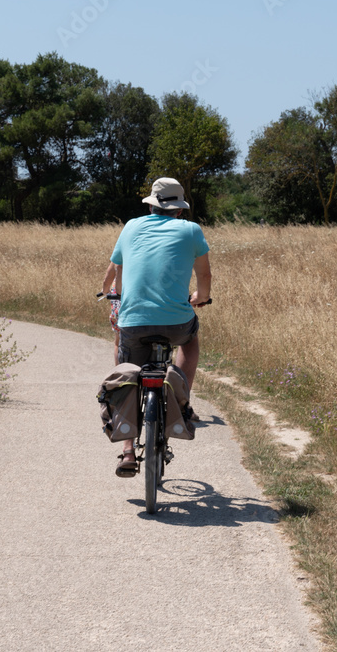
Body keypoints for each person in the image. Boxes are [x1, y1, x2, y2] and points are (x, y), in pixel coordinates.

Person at [108, 177, 211, 477]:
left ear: (152, 205)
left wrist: (121, 300)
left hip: (133, 322)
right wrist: (200, 299)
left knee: (128, 372)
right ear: (179, 209)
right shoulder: (191, 230)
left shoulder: (130, 226)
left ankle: (127, 450)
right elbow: (204, 277)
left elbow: (118, 274)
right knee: (189, 341)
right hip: (177, 322)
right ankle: (180, 399)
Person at [100, 262, 121, 364]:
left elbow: (106, 281)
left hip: (119, 314)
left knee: (118, 342)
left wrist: (105, 291)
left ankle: (118, 373)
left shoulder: (118, 259)